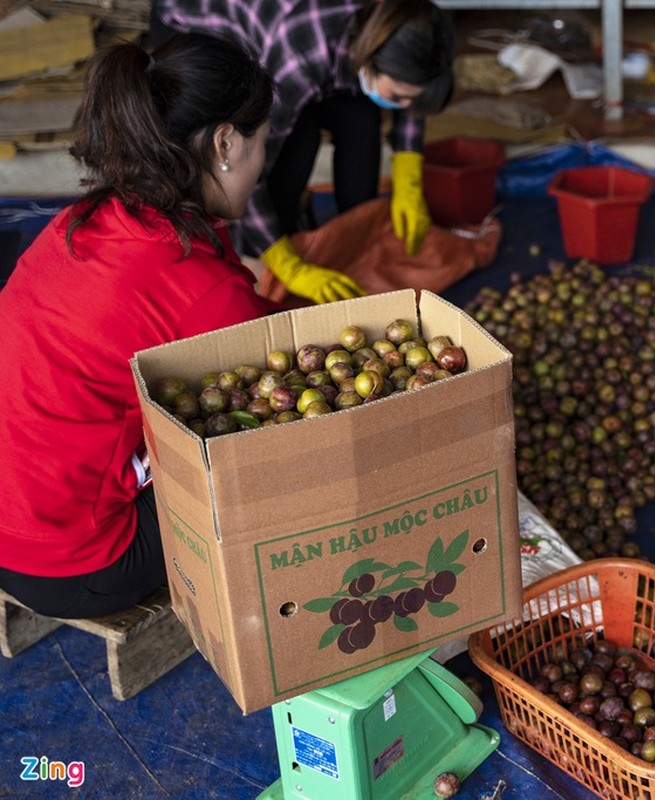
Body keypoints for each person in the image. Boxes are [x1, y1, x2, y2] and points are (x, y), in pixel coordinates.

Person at [0, 34, 278, 619]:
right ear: (225, 142)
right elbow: (277, 375)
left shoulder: (86, 218)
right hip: (79, 564)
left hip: (13, 523)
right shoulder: (206, 295)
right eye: (262, 144)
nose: (262, 165)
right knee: (273, 457)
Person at [149, 0, 457, 304]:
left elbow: (413, 92)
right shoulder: (296, 58)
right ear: (369, 59)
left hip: (306, 39)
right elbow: (243, 168)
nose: (404, 107)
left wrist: (409, 179)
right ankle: (266, 252)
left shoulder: (395, 19)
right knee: (296, 146)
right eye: (399, 96)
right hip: (198, 28)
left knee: (362, 124)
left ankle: (352, 245)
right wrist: (289, 265)